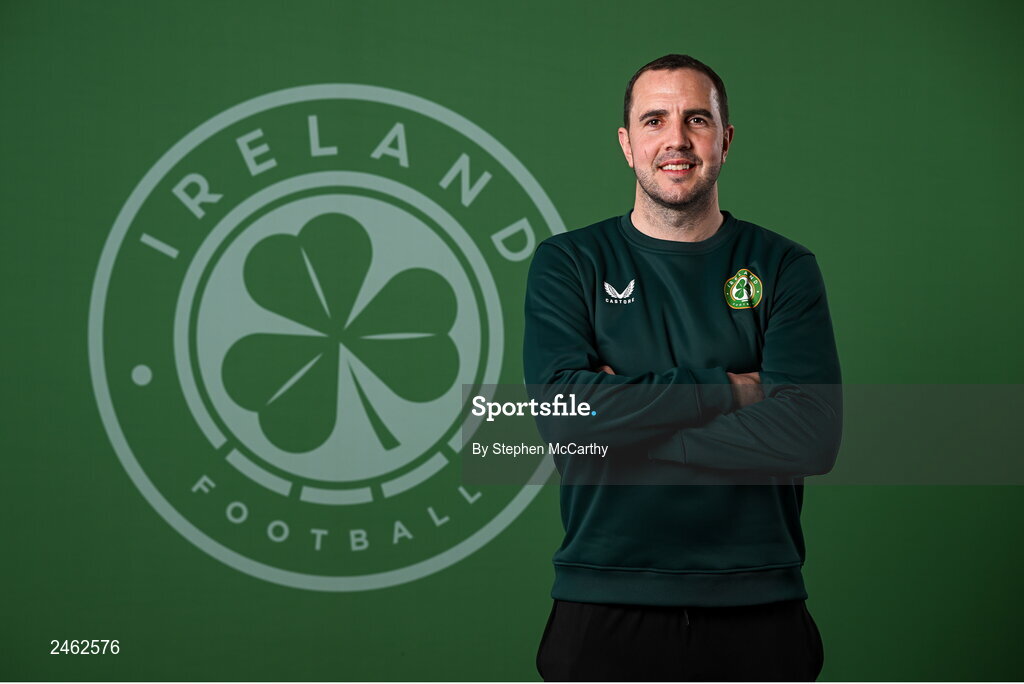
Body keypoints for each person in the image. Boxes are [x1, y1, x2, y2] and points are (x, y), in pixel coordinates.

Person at [522, 54, 842, 681]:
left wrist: (625, 426)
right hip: (603, 597)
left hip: (758, 602)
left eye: (697, 119)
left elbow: (812, 433)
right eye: (654, 120)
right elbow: (565, 419)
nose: (676, 139)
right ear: (627, 144)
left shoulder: (783, 267)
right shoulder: (570, 264)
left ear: (724, 139)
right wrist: (731, 389)